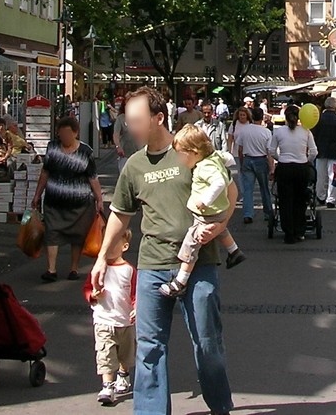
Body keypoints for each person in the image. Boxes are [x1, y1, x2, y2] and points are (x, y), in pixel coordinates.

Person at [90, 87, 236, 415]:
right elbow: (119, 215)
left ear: (159, 118)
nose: (131, 128)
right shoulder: (134, 166)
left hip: (198, 266)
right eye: (128, 121)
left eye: (137, 120)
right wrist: (102, 257)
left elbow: (230, 190)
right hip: (153, 264)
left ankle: (220, 406)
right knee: (149, 348)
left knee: (207, 344)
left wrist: (219, 223)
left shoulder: (190, 151)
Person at [159, 124, 244, 297]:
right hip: (218, 211)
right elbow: (227, 158)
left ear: (195, 152)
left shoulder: (205, 167)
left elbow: (220, 182)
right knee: (221, 231)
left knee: (191, 243)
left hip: (207, 212)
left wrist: (205, 200)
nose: (179, 159)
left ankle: (180, 281)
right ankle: (234, 251)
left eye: (181, 154)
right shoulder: (213, 157)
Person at [33, 116, 102, 283]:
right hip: (54, 201)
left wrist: (99, 200)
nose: (63, 137)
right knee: (51, 233)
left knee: (77, 236)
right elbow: (45, 173)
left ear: (75, 133)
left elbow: (93, 178)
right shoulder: (53, 148)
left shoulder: (86, 152)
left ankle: (74, 268)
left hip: (80, 205)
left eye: (67, 134)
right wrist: (37, 195)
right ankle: (51, 269)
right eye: (61, 134)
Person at [85, 227, 136, 407]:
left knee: (125, 354)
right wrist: (93, 295)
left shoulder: (129, 270)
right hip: (103, 320)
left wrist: (136, 307)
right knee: (105, 354)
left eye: (114, 243)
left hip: (125, 321)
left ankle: (123, 374)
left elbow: (135, 292)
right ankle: (107, 386)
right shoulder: (99, 267)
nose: (108, 248)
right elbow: (88, 289)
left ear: (125, 246)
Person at [271, 104, 318, 243]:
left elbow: (271, 151)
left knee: (285, 201)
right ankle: (300, 230)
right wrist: (307, 161)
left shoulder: (279, 132)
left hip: (285, 167)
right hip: (301, 168)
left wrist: (281, 159)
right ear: (299, 117)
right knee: (300, 200)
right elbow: (314, 152)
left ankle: (289, 233)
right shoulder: (306, 131)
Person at [230, 106, 274, 225]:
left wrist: (242, 161)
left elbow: (240, 148)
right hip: (261, 159)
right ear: (262, 118)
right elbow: (269, 152)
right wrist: (272, 168)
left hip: (247, 159)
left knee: (248, 189)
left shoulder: (244, 130)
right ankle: (268, 213)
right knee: (264, 188)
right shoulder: (266, 132)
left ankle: (248, 214)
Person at [312, 97, 336, 208]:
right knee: (333, 176)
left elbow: (313, 133)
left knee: (320, 176)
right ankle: (331, 199)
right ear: (335, 106)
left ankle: (320, 197)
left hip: (320, 150)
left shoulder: (319, 119)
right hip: (334, 151)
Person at [113, 101, 140, 174]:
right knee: (124, 177)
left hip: (139, 153)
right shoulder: (121, 118)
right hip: (125, 153)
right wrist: (118, 147)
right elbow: (116, 134)